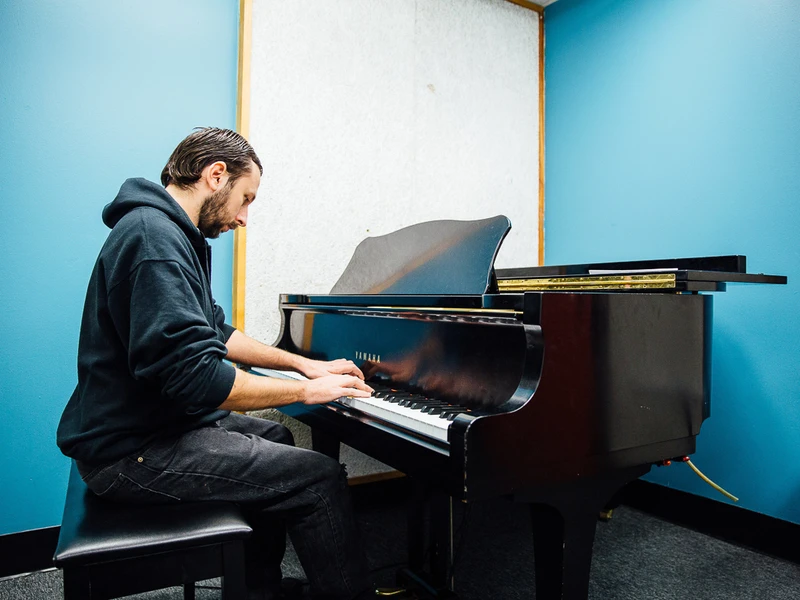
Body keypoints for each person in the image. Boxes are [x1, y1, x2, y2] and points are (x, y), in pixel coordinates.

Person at [57, 127, 385, 600]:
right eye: (246, 197)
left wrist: (302, 366)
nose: (245, 216)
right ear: (216, 176)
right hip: (129, 451)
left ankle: (257, 588)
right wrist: (304, 392)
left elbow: (215, 331)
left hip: (150, 427)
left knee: (277, 433)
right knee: (319, 477)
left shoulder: (170, 232)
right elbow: (196, 376)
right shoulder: (154, 240)